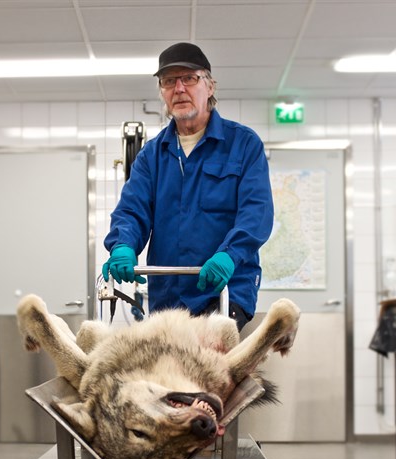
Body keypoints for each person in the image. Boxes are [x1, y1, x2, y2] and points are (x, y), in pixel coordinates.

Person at [102, 42, 274, 331]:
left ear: (210, 86)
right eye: (169, 81)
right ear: (162, 92)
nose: (179, 88)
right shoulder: (151, 155)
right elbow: (132, 211)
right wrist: (123, 246)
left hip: (225, 290)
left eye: (189, 78)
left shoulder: (243, 144)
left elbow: (257, 212)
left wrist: (229, 254)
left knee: (208, 358)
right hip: (167, 298)